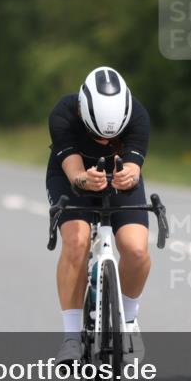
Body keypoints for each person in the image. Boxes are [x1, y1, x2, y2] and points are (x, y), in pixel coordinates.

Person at [47, 67, 151, 364]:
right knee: (77, 241)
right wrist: (83, 179)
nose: (104, 141)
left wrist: (129, 175)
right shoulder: (63, 113)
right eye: (96, 135)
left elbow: (133, 166)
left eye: (112, 136)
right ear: (83, 112)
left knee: (136, 249)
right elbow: (74, 171)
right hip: (72, 174)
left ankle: (129, 321)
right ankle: (70, 337)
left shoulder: (138, 115)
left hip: (117, 174)